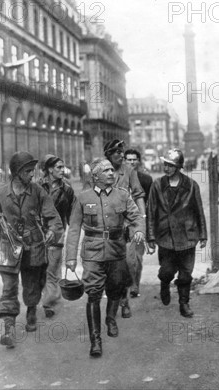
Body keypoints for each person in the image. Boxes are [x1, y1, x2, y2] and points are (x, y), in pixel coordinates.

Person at [65, 158, 145, 357]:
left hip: (117, 250)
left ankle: (110, 318)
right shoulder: (83, 198)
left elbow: (136, 217)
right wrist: (70, 258)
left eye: (112, 170)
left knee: (116, 287)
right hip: (92, 252)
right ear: (96, 176)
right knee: (93, 293)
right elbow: (74, 228)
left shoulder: (123, 195)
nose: (112, 173)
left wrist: (139, 231)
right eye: (106, 170)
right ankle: (95, 340)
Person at [0, 152, 63, 349]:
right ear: (17, 172)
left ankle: (31, 309)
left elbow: (53, 218)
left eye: (33, 170)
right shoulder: (0, 193)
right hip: (8, 247)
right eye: (28, 171)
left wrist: (52, 233)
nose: (32, 174)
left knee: (32, 284)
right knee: (9, 287)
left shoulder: (38, 192)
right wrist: (2, 228)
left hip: (34, 245)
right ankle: (8, 328)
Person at [147, 149, 207, 318]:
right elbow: (151, 211)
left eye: (171, 165)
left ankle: (184, 303)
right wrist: (150, 236)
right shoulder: (157, 185)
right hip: (165, 236)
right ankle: (164, 283)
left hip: (187, 235)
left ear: (179, 167)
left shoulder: (191, 185)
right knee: (166, 270)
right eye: (165, 164)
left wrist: (203, 234)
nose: (167, 168)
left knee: (186, 273)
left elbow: (199, 210)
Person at [103, 139, 146, 318]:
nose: (121, 155)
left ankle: (125, 300)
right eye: (117, 153)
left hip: (126, 226)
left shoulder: (129, 171)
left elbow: (138, 195)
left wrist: (141, 222)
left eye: (122, 152)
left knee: (128, 263)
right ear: (108, 155)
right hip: (105, 227)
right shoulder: (99, 171)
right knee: (109, 267)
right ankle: (118, 297)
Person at [38, 154, 78, 318]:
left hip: (57, 234)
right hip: (37, 234)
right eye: (59, 167)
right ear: (49, 169)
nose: (63, 170)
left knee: (52, 268)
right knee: (40, 268)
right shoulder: (37, 187)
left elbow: (72, 214)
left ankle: (48, 302)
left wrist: (73, 232)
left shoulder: (67, 189)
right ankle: (47, 294)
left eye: (63, 167)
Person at [124, 148, 153, 297]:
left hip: (138, 223)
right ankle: (124, 286)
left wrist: (147, 226)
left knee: (137, 257)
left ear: (139, 161)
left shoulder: (146, 180)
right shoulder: (118, 178)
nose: (131, 162)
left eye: (134, 159)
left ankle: (135, 285)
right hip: (121, 224)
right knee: (123, 257)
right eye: (128, 159)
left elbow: (150, 204)